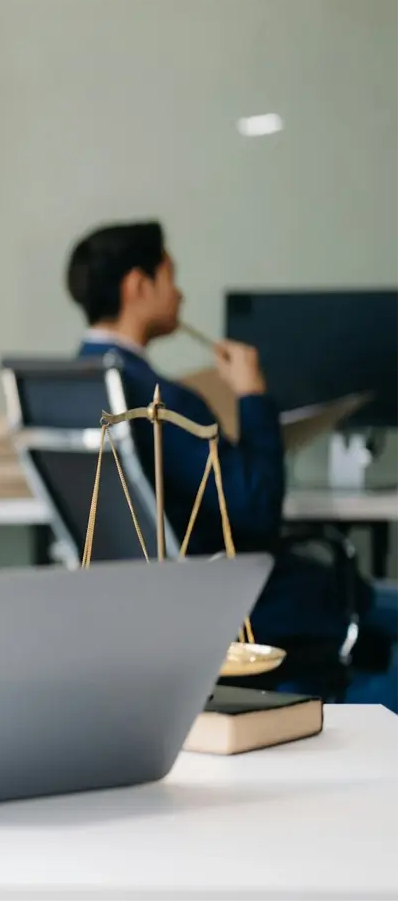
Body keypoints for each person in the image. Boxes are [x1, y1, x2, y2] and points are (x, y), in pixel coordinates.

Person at [66, 221, 397, 705]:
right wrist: (252, 395)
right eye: (171, 278)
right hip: (242, 602)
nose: (180, 296)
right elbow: (256, 510)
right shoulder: (161, 400)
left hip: (147, 609)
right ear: (139, 285)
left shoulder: (81, 381)